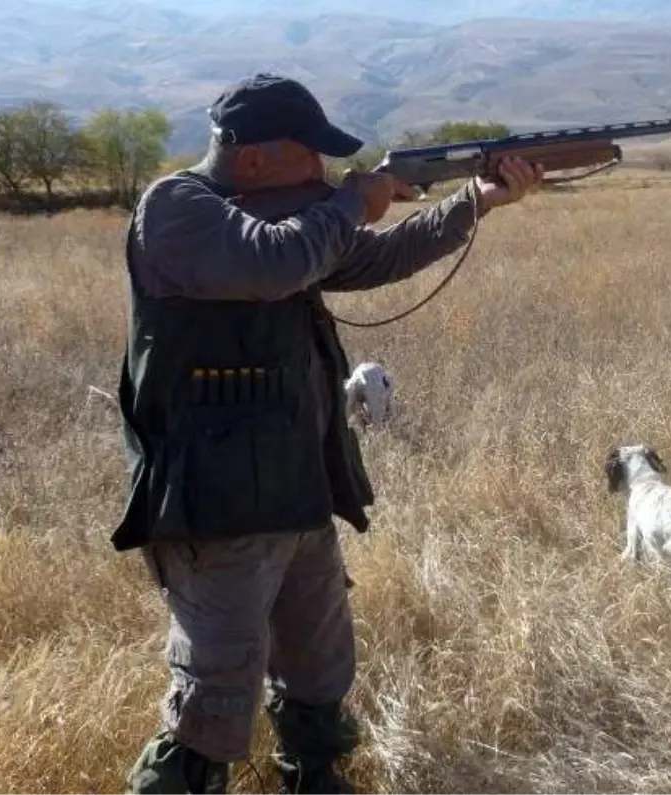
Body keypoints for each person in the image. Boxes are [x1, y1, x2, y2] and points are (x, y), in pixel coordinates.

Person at [111, 72, 543, 795]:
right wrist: (352, 200)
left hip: (298, 482)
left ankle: (315, 776)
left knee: (318, 666)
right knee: (212, 691)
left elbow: (377, 258)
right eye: (312, 159)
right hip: (217, 503)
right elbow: (273, 262)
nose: (326, 172)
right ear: (252, 161)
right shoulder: (178, 209)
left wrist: (475, 201)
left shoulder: (297, 225)